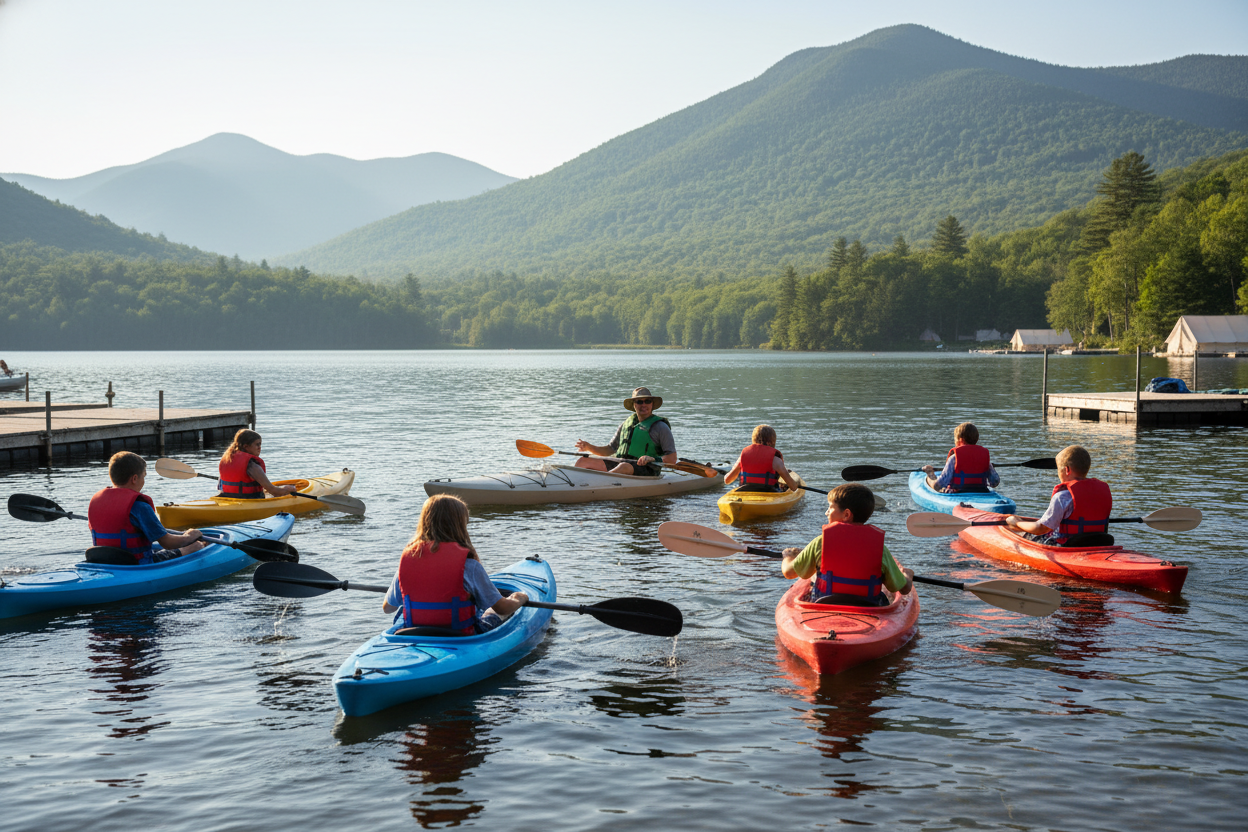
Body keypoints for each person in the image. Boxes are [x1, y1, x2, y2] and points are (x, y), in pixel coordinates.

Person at [381, 494, 530, 634]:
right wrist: (519, 598)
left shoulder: (408, 562)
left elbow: (388, 608)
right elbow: (503, 608)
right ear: (460, 526)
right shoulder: (469, 566)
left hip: (415, 632)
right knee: (490, 611)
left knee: (404, 608)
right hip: (459, 635)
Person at [780, 483, 913, 607]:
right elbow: (904, 589)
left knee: (814, 580)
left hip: (825, 605)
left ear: (846, 514)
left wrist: (788, 556)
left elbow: (789, 573)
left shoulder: (820, 543)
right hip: (869, 608)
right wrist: (908, 575)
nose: (826, 512)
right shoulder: (879, 549)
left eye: (830, 507)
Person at [88, 451, 206, 564]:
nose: (143, 481)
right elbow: (168, 543)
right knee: (195, 546)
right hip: (136, 564)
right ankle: (192, 549)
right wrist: (189, 537)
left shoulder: (96, 501)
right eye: (143, 477)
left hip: (103, 560)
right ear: (134, 479)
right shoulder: (140, 507)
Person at [1003, 445, 1111, 545]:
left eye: (1059, 470)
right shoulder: (1103, 492)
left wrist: (1016, 522)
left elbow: (1040, 528)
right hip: (1098, 544)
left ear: (1067, 470)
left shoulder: (1062, 497)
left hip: (1068, 547)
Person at [573, 387, 677, 477]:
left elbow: (672, 458)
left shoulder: (661, 427)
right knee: (583, 461)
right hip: (620, 464)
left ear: (652, 404)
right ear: (634, 405)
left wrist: (653, 459)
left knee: (624, 467)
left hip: (647, 468)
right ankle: (574, 485)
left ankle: (599, 483)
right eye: (639, 402)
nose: (644, 404)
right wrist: (589, 447)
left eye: (647, 401)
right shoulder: (626, 425)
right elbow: (610, 449)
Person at [217, 429, 297, 499]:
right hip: (249, 501)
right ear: (246, 446)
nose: (259, 448)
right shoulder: (253, 466)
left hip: (226, 498)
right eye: (257, 444)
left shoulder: (228, 459)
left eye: (260, 444)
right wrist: (288, 489)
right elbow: (275, 492)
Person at [922, 422, 1000, 493]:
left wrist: (930, 474)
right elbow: (995, 482)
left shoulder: (954, 458)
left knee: (933, 482)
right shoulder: (983, 457)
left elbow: (938, 486)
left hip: (957, 493)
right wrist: (990, 467)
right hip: (981, 491)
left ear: (960, 440)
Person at [723, 424, 800, 492]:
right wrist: (795, 482)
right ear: (772, 441)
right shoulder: (776, 460)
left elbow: (727, 480)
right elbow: (793, 487)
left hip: (746, 493)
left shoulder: (743, 457)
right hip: (769, 494)